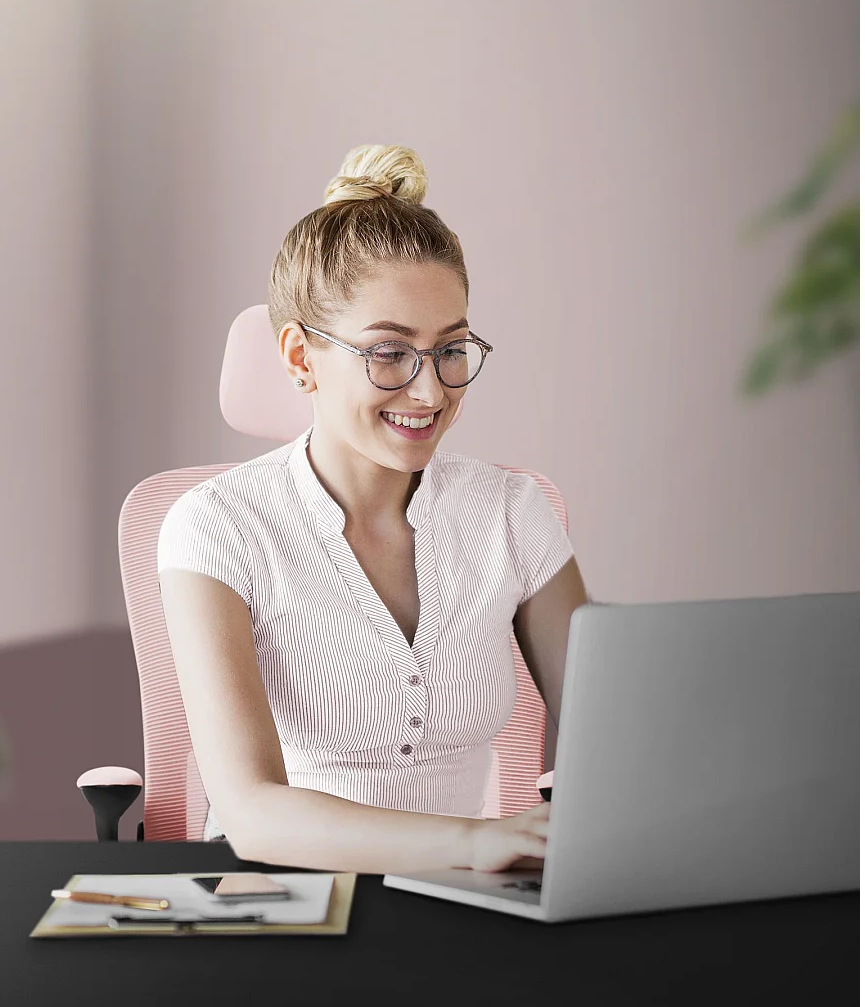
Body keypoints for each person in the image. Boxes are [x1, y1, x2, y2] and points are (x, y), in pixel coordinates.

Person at [157, 144, 589, 875]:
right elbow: (252, 811)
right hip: (276, 902)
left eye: (451, 349)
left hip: (460, 900)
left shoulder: (512, 512)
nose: (429, 392)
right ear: (299, 357)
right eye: (389, 353)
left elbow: (617, 737)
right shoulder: (216, 527)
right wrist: (474, 841)